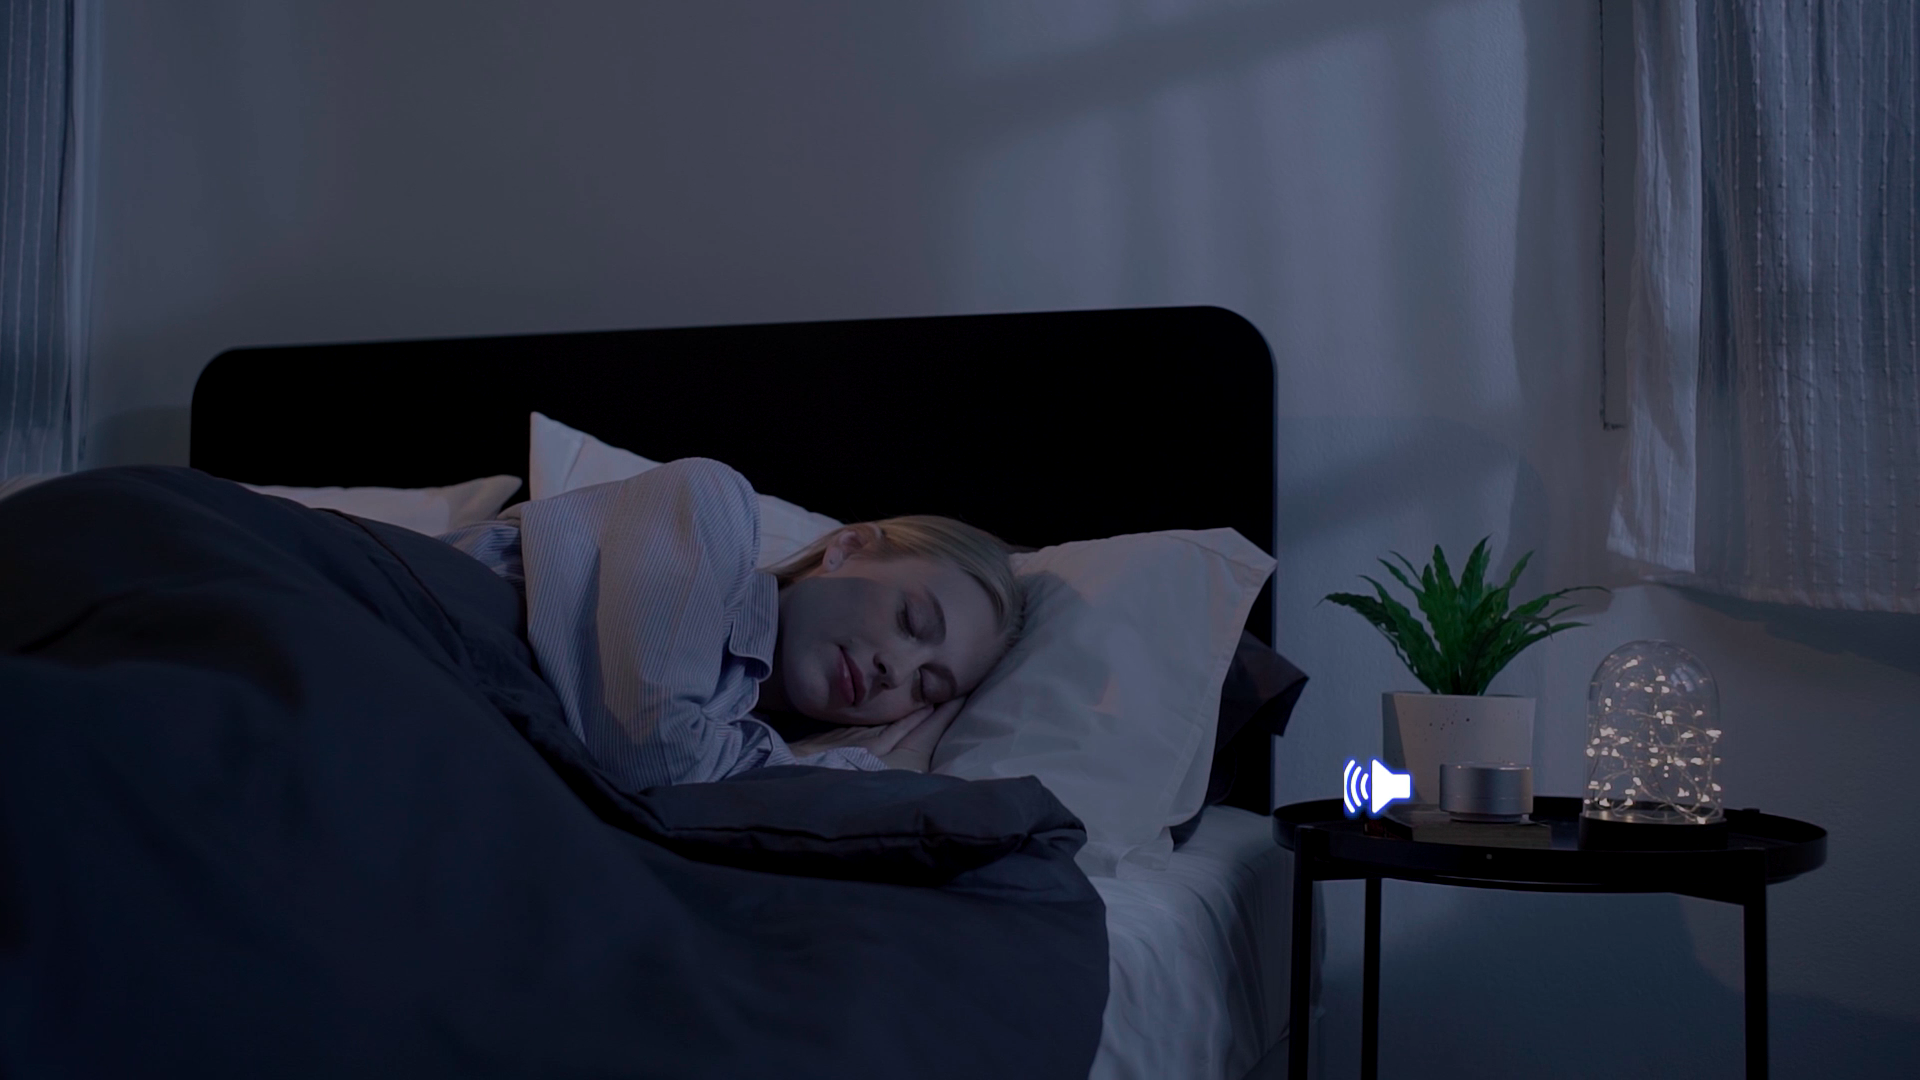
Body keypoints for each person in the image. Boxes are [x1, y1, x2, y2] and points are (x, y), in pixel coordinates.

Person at [436, 457, 1023, 793]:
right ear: (847, 548)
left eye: (927, 687)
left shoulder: (743, 745)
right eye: (910, 619)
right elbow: (649, 754)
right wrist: (865, 772)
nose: (896, 669)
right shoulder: (710, 504)